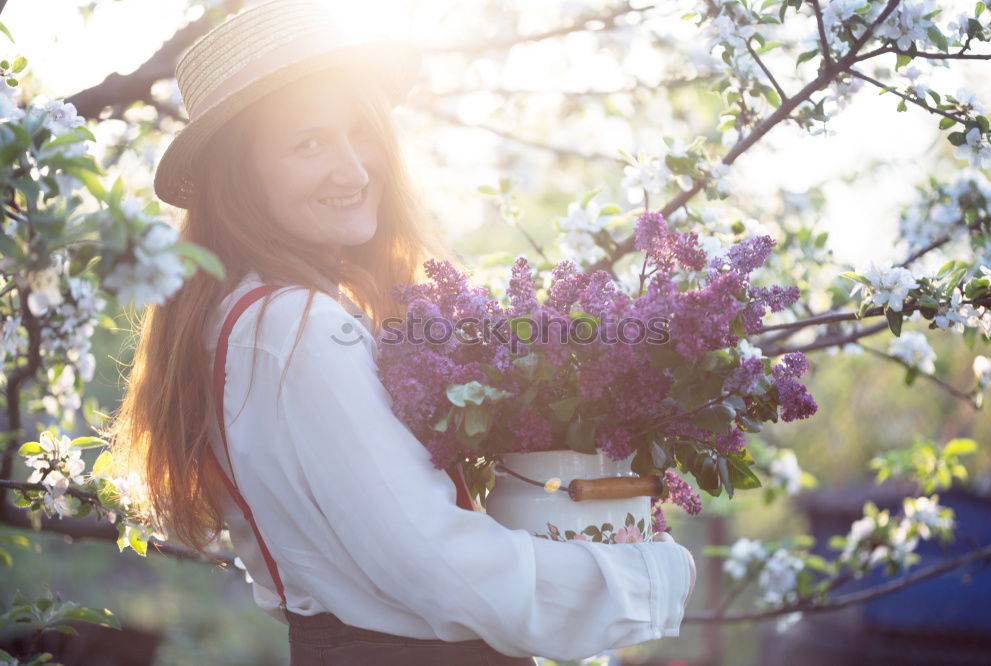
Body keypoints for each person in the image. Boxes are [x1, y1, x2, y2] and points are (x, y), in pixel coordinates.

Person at [104, 1, 696, 664]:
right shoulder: (297, 330)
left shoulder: (253, 317)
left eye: (360, 132)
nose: (355, 169)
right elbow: (439, 562)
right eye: (309, 143)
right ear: (238, 177)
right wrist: (648, 577)